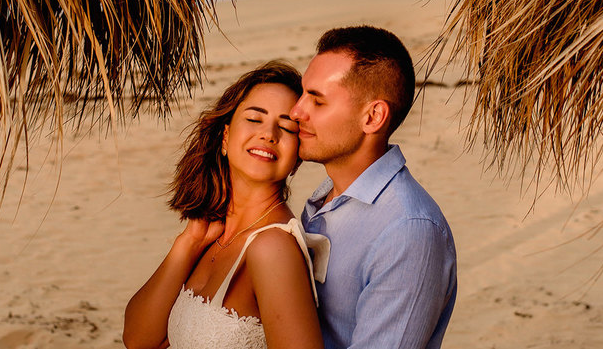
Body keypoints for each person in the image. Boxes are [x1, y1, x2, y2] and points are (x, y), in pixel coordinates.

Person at [124, 61, 326, 349]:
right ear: (225, 137)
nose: (269, 134)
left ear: (297, 159)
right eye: (255, 119)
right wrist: (189, 242)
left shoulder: (273, 248)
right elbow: (137, 339)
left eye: (286, 126)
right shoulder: (210, 237)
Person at [290, 26, 456, 349]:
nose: (296, 111)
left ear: (373, 117)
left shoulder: (408, 231)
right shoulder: (325, 198)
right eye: (302, 93)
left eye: (317, 101)